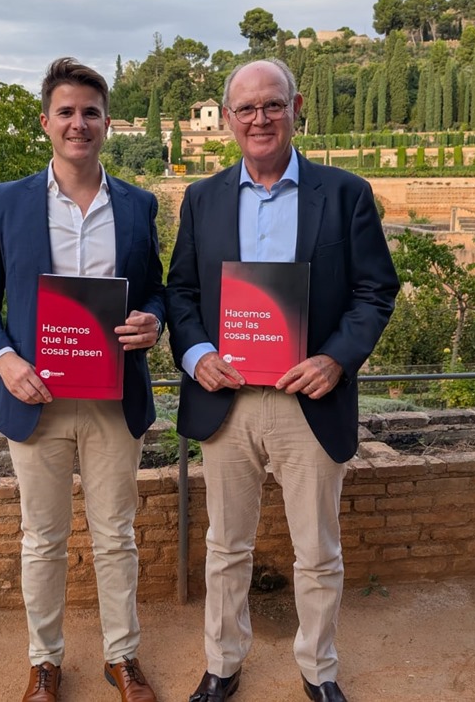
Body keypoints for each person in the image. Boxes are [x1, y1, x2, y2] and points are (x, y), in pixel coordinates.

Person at [166, 58, 399, 702]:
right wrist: (196, 353)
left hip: (309, 400)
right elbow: (181, 292)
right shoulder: (202, 198)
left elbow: (375, 290)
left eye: (273, 104)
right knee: (225, 546)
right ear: (228, 120)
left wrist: (336, 358)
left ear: (297, 110)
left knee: (318, 551)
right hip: (227, 399)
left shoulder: (345, 193)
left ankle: (319, 669)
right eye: (245, 108)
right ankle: (222, 663)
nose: (259, 118)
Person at [0, 57, 163, 702]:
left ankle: (121, 657)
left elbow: (156, 291)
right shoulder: (7, 201)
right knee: (42, 540)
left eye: (91, 113)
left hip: (113, 399)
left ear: (107, 123)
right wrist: (6, 360)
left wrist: (153, 322)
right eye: (67, 112)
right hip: (37, 399)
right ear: (46, 122)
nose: (79, 123)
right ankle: (44, 662)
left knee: (116, 538)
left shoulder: (138, 205)